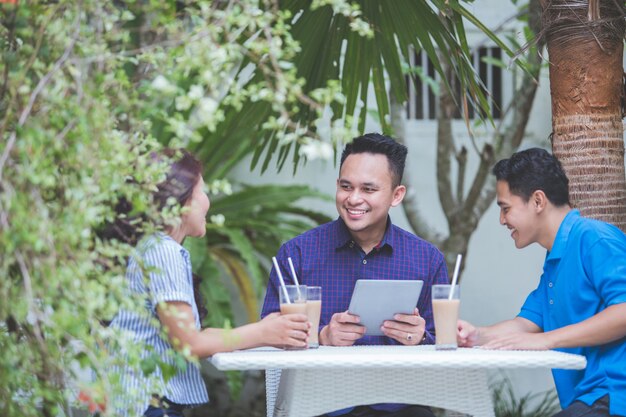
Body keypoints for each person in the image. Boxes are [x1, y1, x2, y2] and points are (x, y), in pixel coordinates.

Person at [108, 149, 310, 417]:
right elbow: (190, 343)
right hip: (145, 404)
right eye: (201, 192)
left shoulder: (156, 247)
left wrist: (264, 329)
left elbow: (192, 335)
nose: (207, 202)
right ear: (180, 203)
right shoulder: (163, 251)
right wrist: (263, 333)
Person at [261, 133, 449, 417]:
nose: (353, 199)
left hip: (400, 404)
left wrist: (421, 338)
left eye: (368, 189)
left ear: (396, 195)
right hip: (322, 404)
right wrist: (321, 338)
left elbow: (445, 348)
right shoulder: (297, 254)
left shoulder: (426, 259)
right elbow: (267, 335)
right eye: (345, 186)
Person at [457, 147, 626, 417]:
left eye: (505, 208)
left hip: (614, 397)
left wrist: (547, 340)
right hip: (587, 401)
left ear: (538, 201)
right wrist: (477, 335)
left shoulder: (593, 238)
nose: (502, 220)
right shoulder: (555, 261)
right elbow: (526, 324)